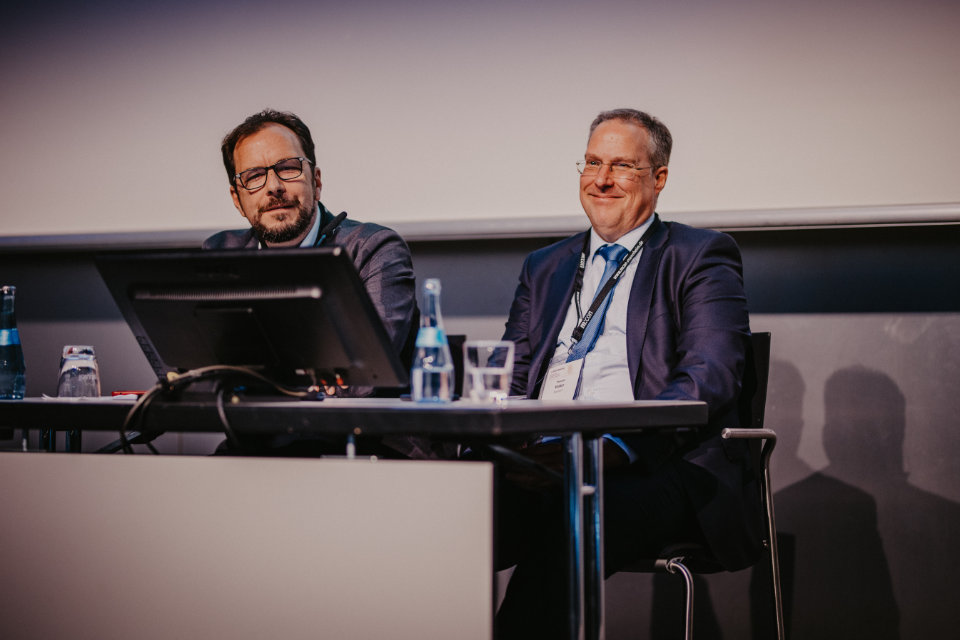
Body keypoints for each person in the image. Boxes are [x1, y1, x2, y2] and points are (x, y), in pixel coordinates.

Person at [494, 109, 763, 637]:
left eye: (621, 166)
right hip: (543, 457)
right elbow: (511, 369)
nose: (601, 179)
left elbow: (711, 375)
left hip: (650, 464)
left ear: (658, 179)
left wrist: (611, 447)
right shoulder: (545, 265)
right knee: (439, 511)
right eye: (592, 162)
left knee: (573, 526)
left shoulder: (699, 255)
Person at [205, 109, 432, 458]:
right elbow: (200, 378)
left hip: (372, 449)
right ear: (237, 199)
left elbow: (363, 380)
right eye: (254, 176)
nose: (274, 186)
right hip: (260, 447)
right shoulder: (220, 254)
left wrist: (257, 383)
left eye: (288, 168)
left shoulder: (374, 249)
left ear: (317, 180)